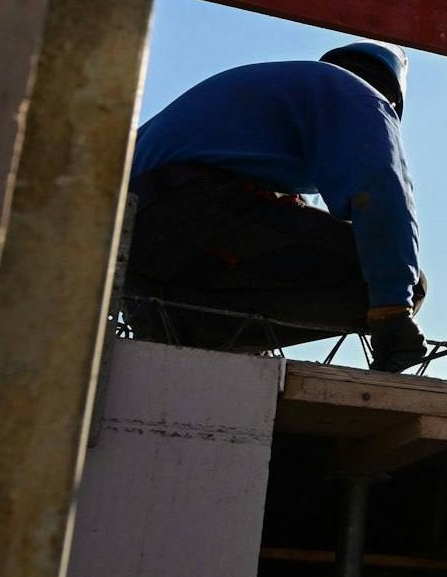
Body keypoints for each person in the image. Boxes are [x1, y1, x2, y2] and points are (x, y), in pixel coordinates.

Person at [122, 41, 429, 372]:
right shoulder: (359, 96)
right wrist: (392, 307)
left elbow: (293, 214)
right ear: (393, 101)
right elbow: (380, 188)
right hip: (199, 208)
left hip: (125, 236)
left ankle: (178, 322)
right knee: (407, 286)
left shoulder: (275, 96)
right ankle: (200, 328)